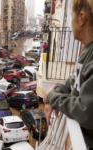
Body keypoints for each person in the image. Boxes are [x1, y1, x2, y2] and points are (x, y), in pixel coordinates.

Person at [43, 0, 93, 149]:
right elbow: (74, 80)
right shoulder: (87, 49)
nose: (70, 21)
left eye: (72, 15)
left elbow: (87, 111)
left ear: (81, 18)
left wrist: (52, 98)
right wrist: (57, 90)